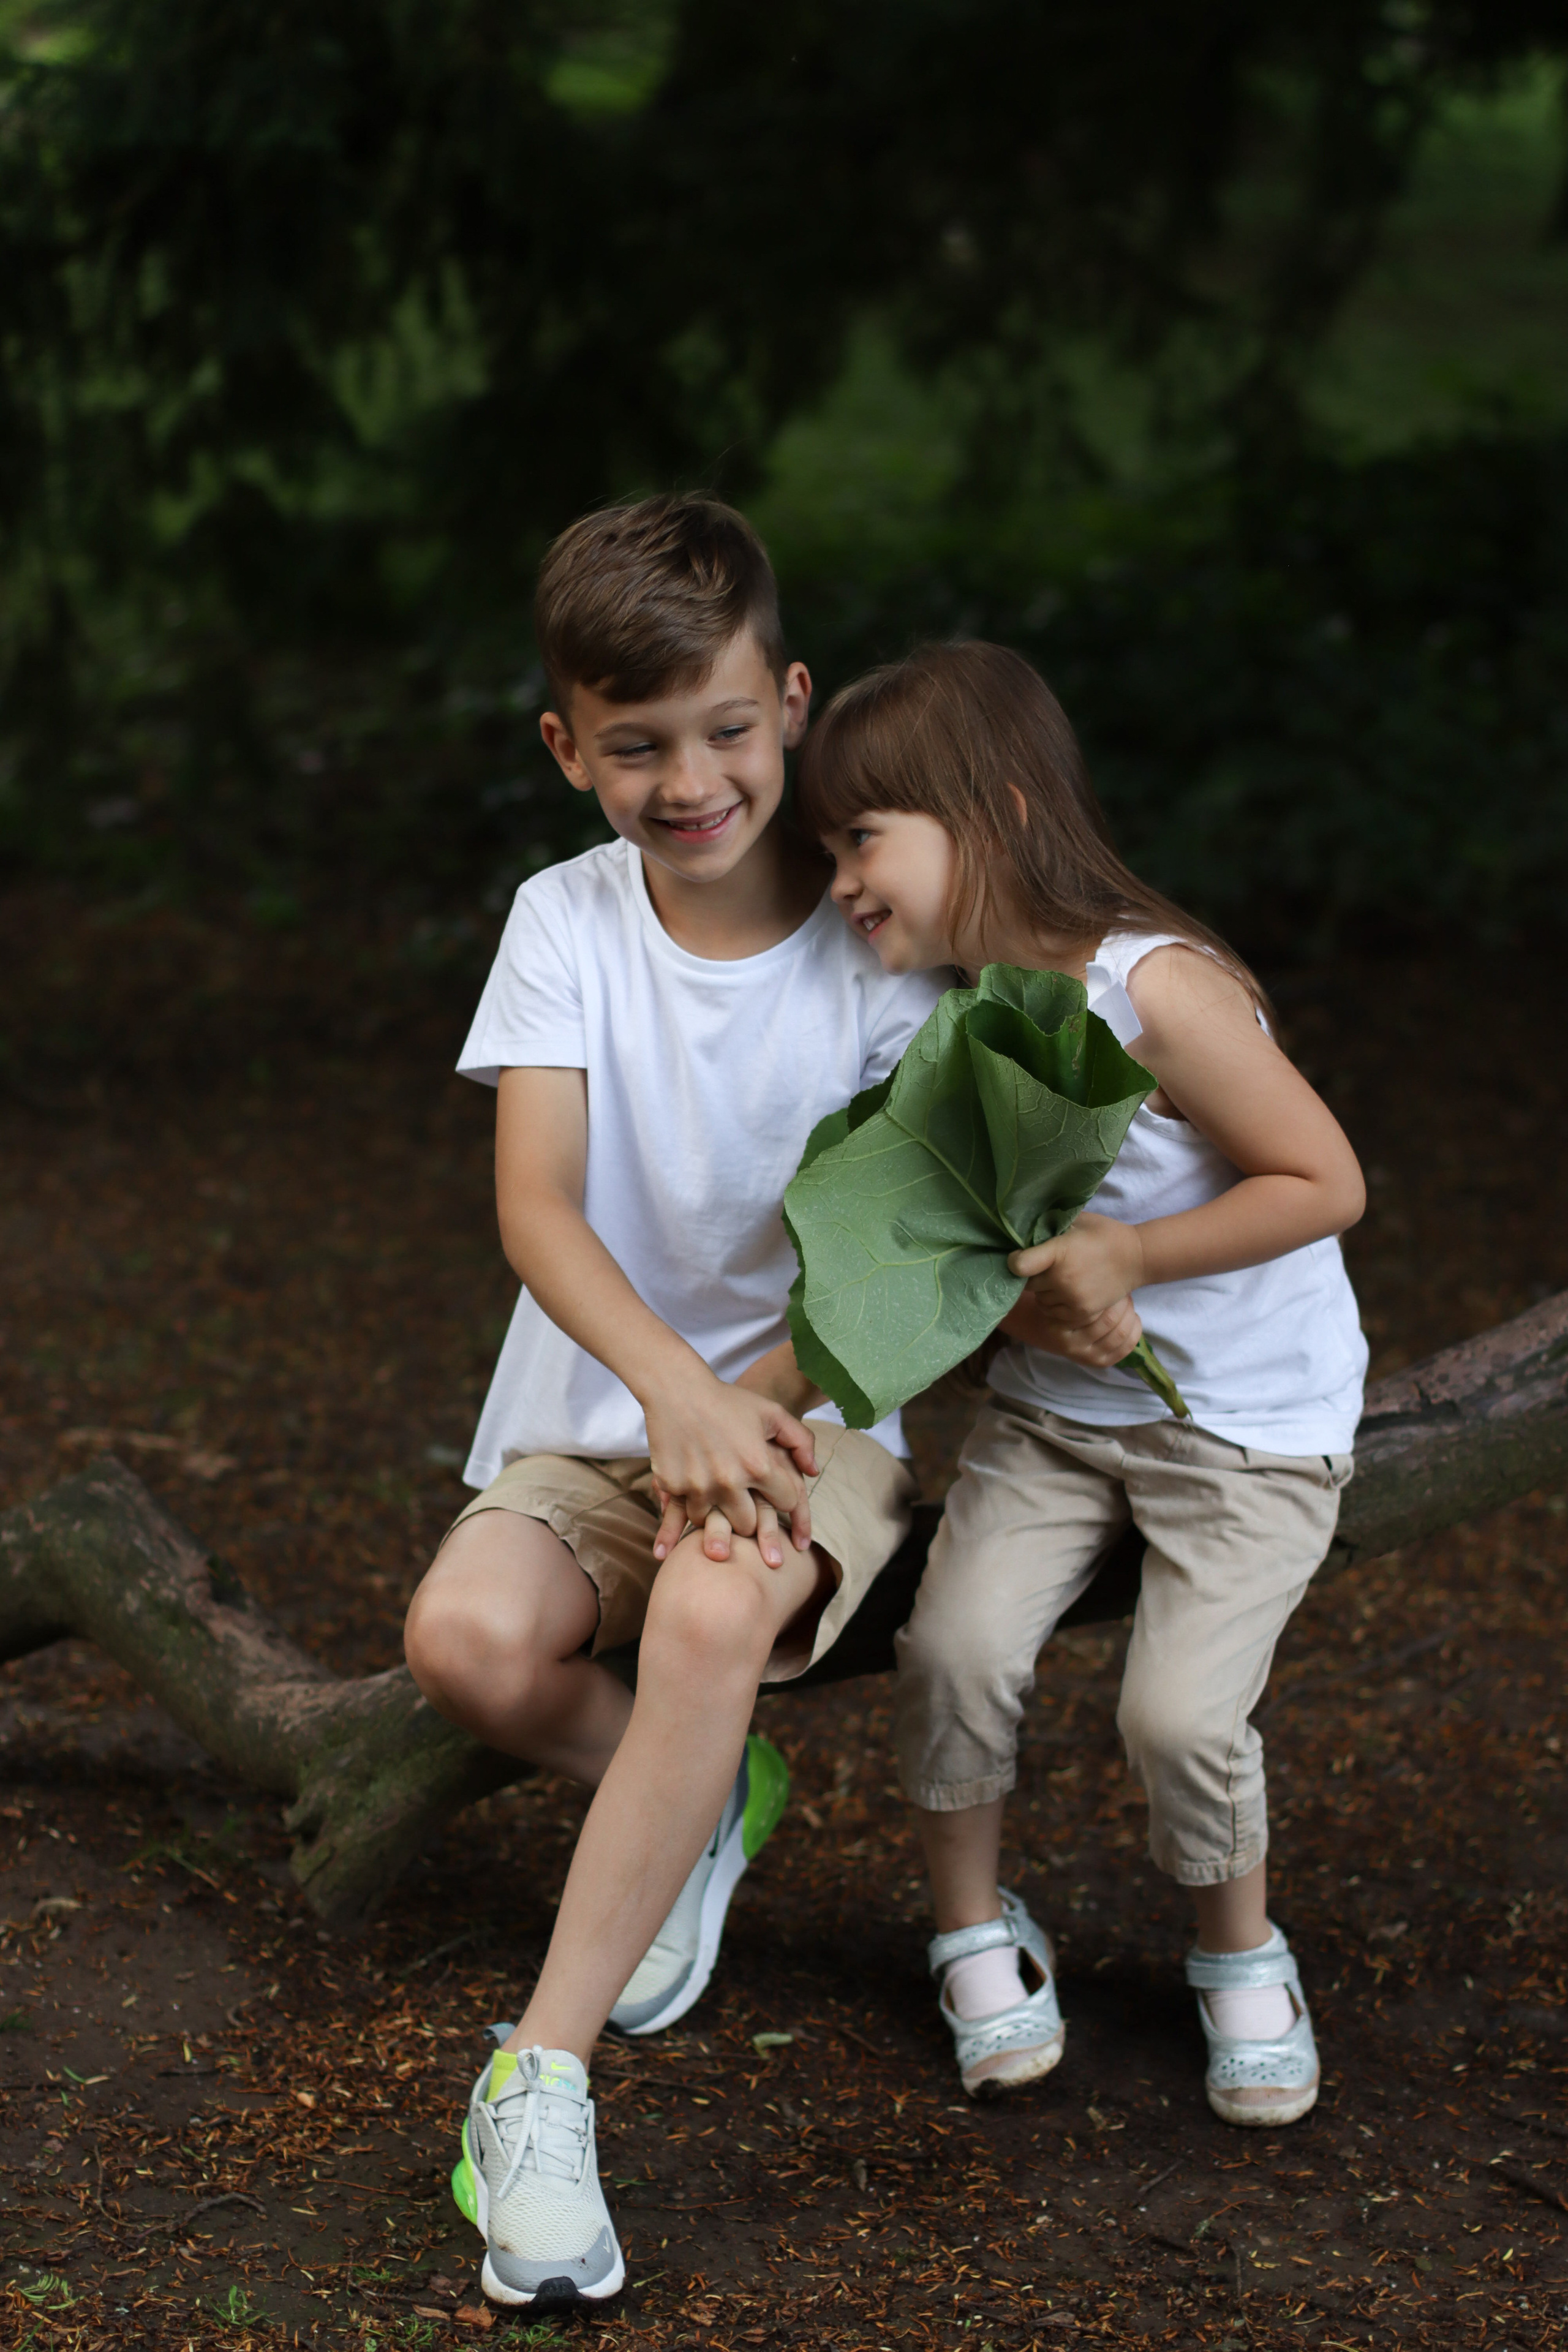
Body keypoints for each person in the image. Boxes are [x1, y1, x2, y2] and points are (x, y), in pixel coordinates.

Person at [402, 496, 944, 2307]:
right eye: (635, 746)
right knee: (465, 1644)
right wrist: (668, 1397)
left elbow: (899, 1260)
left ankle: (535, 2083)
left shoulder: (879, 942)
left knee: (719, 1594)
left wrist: (745, 1412)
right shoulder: (563, 921)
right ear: (568, 751)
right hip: (602, 1399)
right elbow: (535, 1203)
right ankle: (703, 1793)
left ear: (791, 703)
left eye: (724, 728)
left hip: (826, 1398)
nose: (691, 777)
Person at [797, 639, 1366, 2124]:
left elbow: (1324, 1181)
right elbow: (981, 1268)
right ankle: (970, 1931)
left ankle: (1239, 1953)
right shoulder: (949, 1024)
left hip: (1241, 1429)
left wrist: (1133, 1255)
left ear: (989, 814)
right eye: (826, 844)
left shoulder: (1155, 989)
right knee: (950, 1653)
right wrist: (1010, 1318)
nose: (840, 876)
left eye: (863, 834)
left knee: (1174, 1717)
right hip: (1057, 1429)